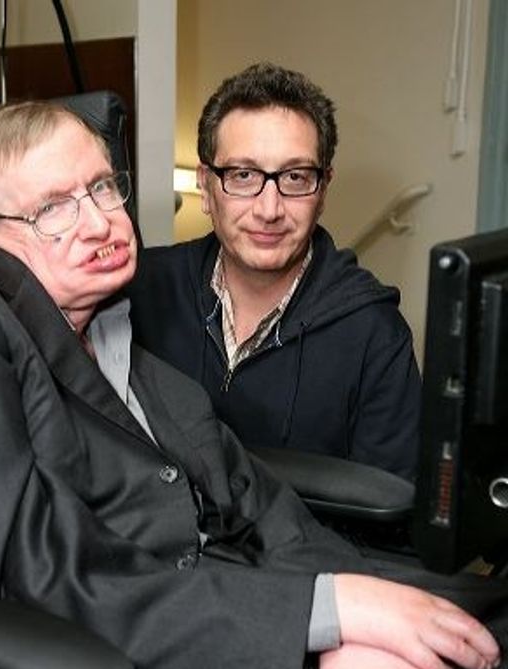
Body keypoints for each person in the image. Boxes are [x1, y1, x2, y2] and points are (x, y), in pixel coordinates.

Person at [0, 100, 507, 669]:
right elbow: (43, 581)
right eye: (53, 209)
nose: (99, 221)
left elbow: (270, 512)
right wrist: (322, 624)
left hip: (250, 623)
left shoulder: (136, 356)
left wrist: (349, 626)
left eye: (102, 187)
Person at [129, 63, 421, 481]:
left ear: (322, 192)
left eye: (296, 177)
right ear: (207, 187)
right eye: (243, 175)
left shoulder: (374, 335)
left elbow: (391, 524)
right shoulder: (142, 291)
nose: (269, 210)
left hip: (309, 547)